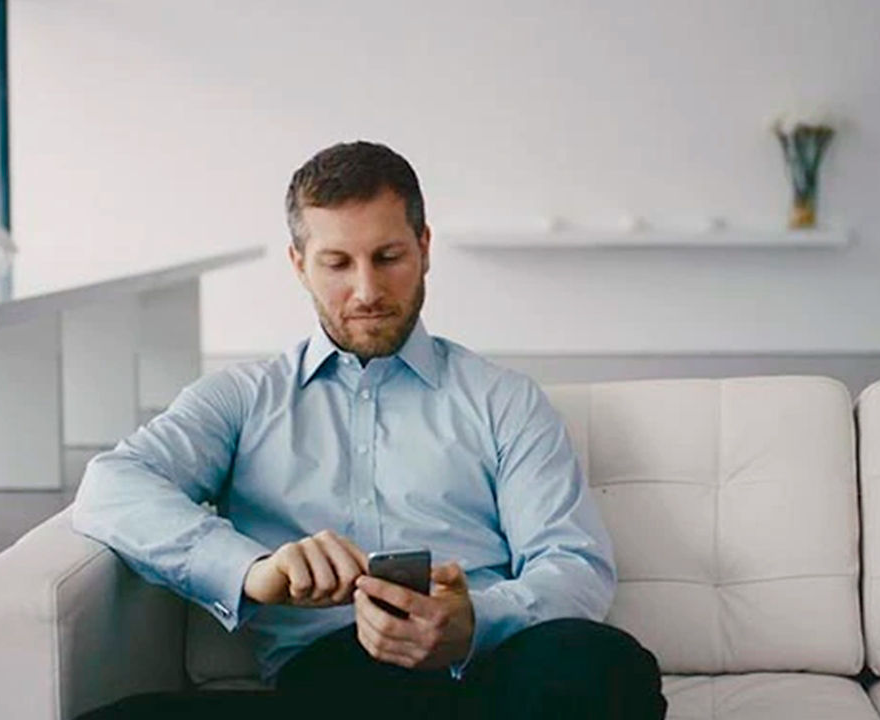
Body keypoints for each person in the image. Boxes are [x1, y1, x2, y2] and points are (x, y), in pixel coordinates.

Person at [71, 140, 666, 720]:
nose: (367, 291)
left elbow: (574, 564)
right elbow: (112, 486)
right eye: (337, 263)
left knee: (607, 665)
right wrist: (254, 570)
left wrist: (474, 622)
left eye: (388, 257)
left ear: (424, 248)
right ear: (299, 264)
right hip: (330, 684)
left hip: (490, 672)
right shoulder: (243, 399)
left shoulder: (503, 399)